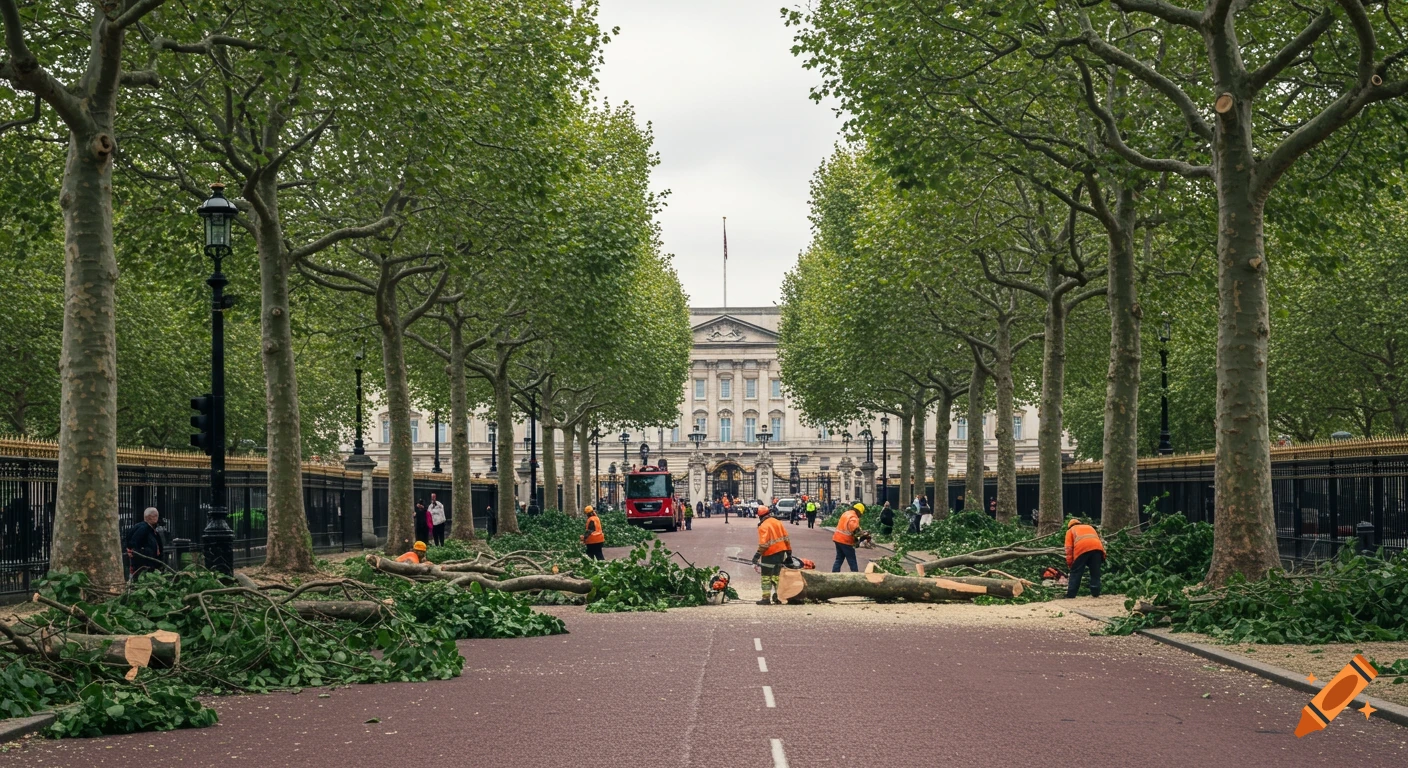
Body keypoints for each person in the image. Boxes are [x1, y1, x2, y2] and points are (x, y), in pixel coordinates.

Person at [751, 505, 791, 604]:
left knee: (766, 576)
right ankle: (779, 597)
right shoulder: (778, 522)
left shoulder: (763, 526)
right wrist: (789, 553)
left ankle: (766, 598)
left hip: (769, 554)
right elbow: (786, 538)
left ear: (760, 516)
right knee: (776, 576)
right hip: (781, 552)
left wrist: (757, 556)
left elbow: (764, 544)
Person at [1063, 518, 1106, 598]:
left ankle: (1071, 594)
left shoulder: (1070, 531)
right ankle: (1095, 592)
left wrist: (1070, 564)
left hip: (1081, 550)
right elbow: (1099, 541)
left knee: (1076, 572)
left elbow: (1069, 548)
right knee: (1095, 571)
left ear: (1069, 526)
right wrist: (1103, 555)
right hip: (1097, 549)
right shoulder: (1090, 527)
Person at [125, 507, 164, 580]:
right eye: (155, 515)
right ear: (149, 517)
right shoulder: (143, 528)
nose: (156, 518)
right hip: (144, 564)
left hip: (148, 563)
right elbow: (133, 543)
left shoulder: (149, 528)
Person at [832, 502, 863, 572]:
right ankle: (855, 575)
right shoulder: (853, 517)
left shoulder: (846, 513)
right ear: (858, 511)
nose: (860, 516)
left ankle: (834, 573)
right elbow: (853, 528)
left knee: (839, 559)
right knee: (852, 560)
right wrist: (859, 535)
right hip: (845, 541)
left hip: (837, 538)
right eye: (860, 514)